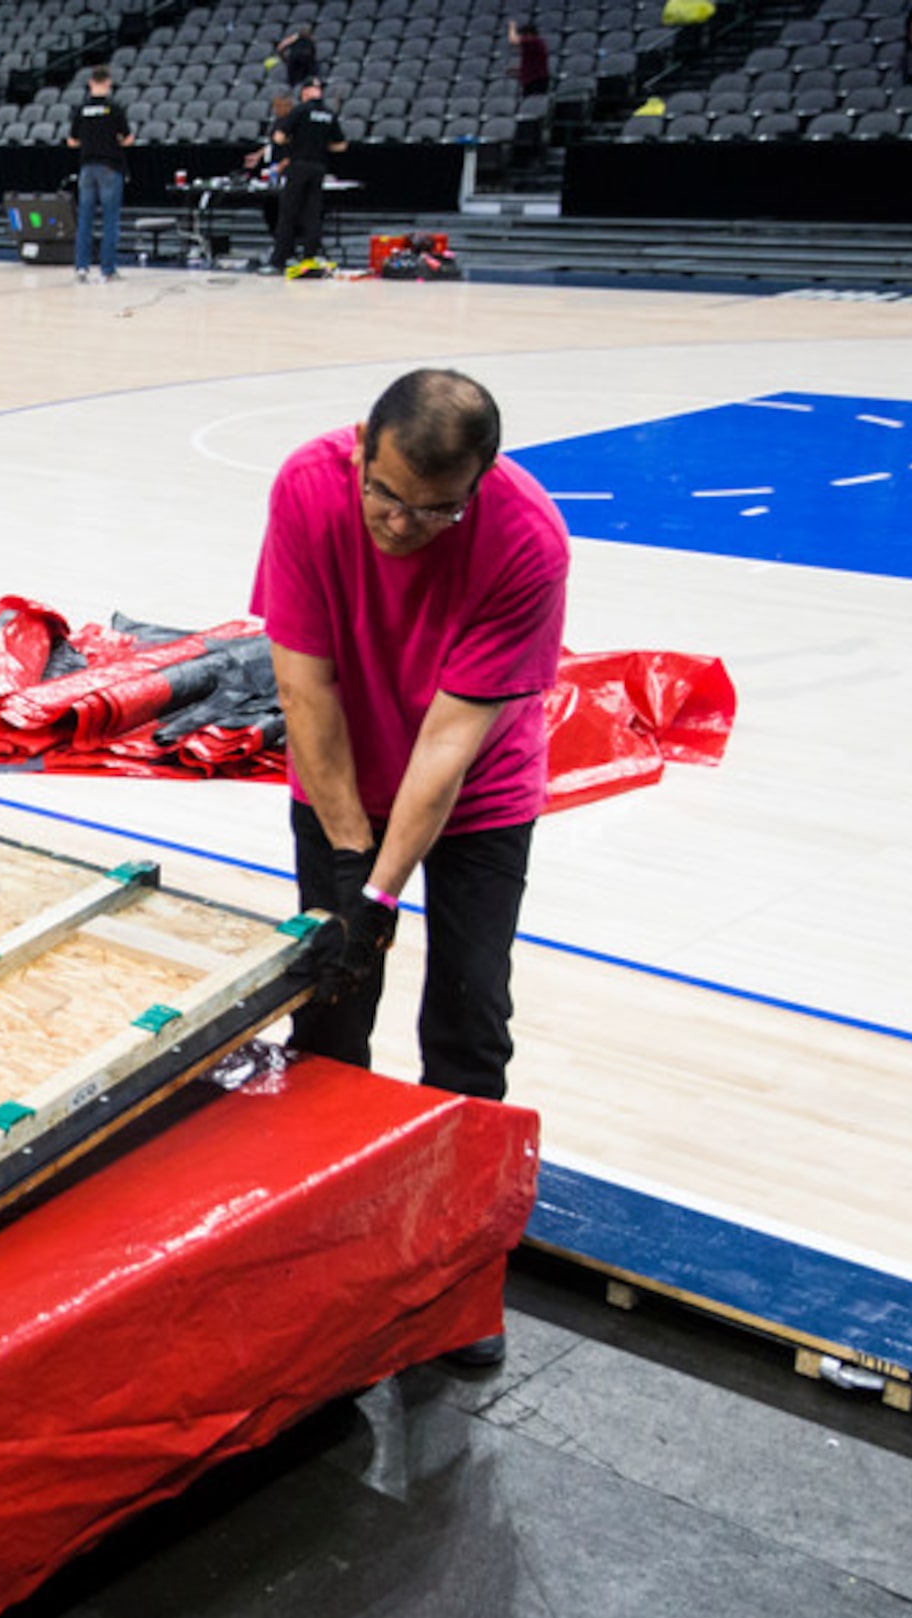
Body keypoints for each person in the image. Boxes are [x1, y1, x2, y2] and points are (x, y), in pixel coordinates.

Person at [249, 365, 568, 1133]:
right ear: (361, 448)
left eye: (435, 512)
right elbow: (305, 693)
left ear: (479, 483)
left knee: (471, 1005)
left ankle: (454, 1186)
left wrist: (380, 894)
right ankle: (317, 1163)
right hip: (339, 776)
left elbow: (448, 745)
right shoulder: (306, 486)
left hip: (476, 792)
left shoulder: (528, 542)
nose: (399, 524)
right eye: (384, 495)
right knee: (330, 996)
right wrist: (354, 864)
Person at [264, 78, 346, 273]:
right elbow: (341, 145)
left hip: (298, 166)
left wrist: (294, 142)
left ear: (305, 92)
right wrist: (321, 144)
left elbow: (279, 137)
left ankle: (280, 259)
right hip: (319, 167)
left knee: (288, 213)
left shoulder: (300, 111)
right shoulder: (329, 114)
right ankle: (310, 257)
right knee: (312, 214)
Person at [65, 66, 135, 284]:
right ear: (108, 83)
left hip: (87, 167)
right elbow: (127, 138)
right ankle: (108, 270)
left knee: (85, 219)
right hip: (110, 167)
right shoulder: (114, 108)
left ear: (90, 83)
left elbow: (72, 141)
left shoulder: (81, 109)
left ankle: (81, 268)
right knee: (110, 220)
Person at [510, 20, 554, 97]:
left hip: (537, 81)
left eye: (523, 34)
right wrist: (518, 70)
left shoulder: (534, 41)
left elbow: (513, 40)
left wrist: (512, 27)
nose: (522, 36)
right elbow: (532, 64)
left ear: (529, 34)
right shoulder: (533, 45)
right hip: (530, 80)